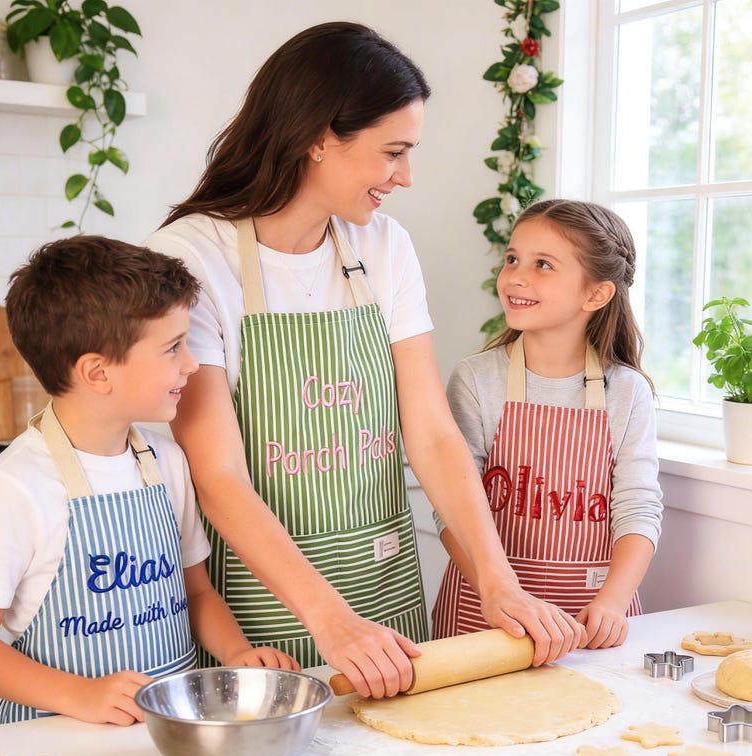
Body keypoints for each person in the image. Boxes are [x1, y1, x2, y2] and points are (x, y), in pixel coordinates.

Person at [146, 21, 582, 700]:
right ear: (320, 136)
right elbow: (219, 474)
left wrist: (499, 584)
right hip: (264, 610)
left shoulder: (383, 247)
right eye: (393, 152)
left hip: (385, 591)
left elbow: (432, 434)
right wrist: (330, 619)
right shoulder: (193, 257)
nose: (405, 177)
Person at [0, 236, 298, 726]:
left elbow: (196, 593)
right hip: (58, 735)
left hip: (171, 727)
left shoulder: (166, 463)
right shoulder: (15, 488)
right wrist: (80, 696)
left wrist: (237, 654)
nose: (191, 364)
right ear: (97, 372)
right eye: (172, 347)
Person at [431, 199, 663, 649]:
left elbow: (638, 506)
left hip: (589, 620)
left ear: (595, 294)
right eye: (513, 259)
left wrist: (613, 602)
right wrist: (499, 592)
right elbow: (452, 506)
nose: (516, 276)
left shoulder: (627, 392)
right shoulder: (477, 379)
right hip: (485, 619)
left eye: (543, 265)